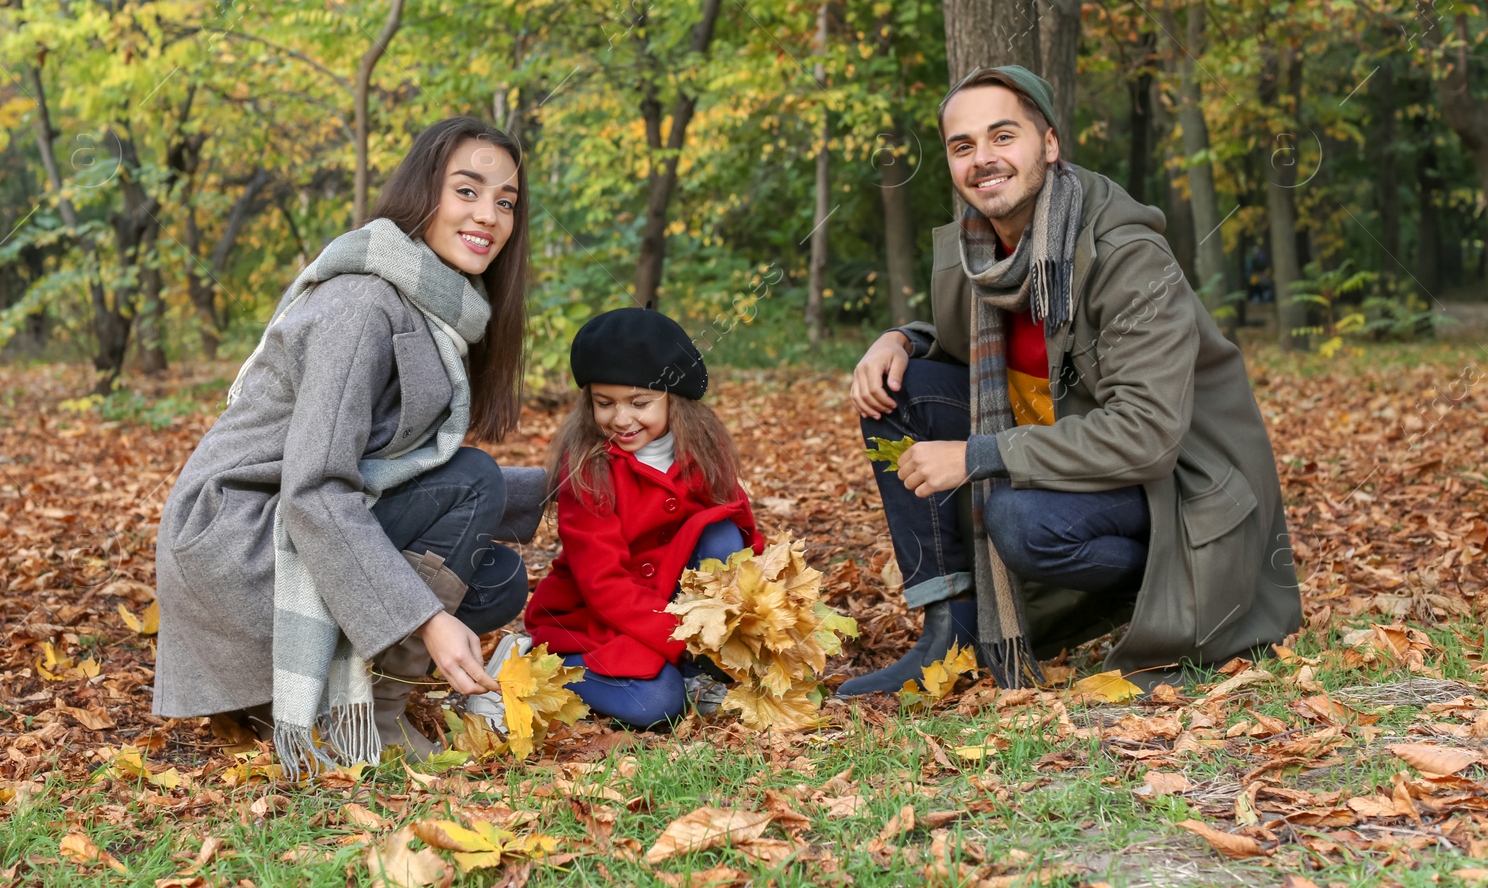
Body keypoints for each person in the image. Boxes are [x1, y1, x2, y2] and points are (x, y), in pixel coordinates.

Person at [839, 65, 1301, 695]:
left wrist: (976, 456)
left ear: (1049, 145)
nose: (983, 159)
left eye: (1004, 136)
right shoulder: (976, 257)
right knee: (895, 392)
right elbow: (955, 352)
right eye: (963, 145)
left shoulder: (1127, 258)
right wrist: (898, 340)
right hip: (1075, 462)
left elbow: (1147, 436)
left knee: (1022, 519)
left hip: (1180, 489)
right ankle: (955, 629)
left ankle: (1163, 583)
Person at [153, 116, 547, 778]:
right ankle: (364, 718)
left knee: (500, 580)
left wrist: (567, 481)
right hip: (238, 540)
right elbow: (316, 488)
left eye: (505, 201)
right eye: (468, 191)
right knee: (474, 480)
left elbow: (387, 470)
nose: (489, 215)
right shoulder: (363, 303)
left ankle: (310, 696)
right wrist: (424, 620)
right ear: (425, 192)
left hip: (281, 519)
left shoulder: (437, 304)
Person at [525, 307, 763, 727]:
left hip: (671, 612)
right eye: (605, 403)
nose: (620, 418)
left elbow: (745, 538)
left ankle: (698, 675)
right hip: (596, 619)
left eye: (639, 402)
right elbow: (604, 586)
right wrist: (684, 638)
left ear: (675, 398)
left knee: (722, 535)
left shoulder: (705, 454)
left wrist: (755, 612)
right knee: (655, 706)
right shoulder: (590, 469)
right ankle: (537, 669)